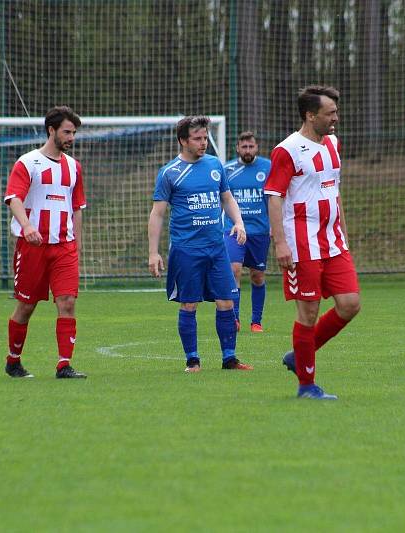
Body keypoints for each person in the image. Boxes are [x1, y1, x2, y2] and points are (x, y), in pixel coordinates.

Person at [265, 86, 361, 400]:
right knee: (307, 313)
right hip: (301, 243)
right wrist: (280, 244)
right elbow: (275, 198)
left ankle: (298, 355)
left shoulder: (333, 143)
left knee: (350, 304)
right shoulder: (287, 150)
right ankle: (306, 386)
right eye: (329, 113)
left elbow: (335, 192)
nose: (336, 117)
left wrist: (344, 234)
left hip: (333, 242)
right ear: (310, 115)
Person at [148, 115, 254, 373]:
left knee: (227, 302)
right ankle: (192, 360)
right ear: (183, 140)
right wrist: (153, 252)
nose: (203, 142)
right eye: (197, 138)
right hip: (186, 250)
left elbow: (227, 198)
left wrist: (238, 223)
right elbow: (158, 213)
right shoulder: (170, 172)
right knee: (189, 304)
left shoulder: (214, 165)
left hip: (216, 248)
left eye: (205, 137)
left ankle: (229, 358)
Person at [3, 106, 88, 379]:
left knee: (67, 302)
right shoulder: (27, 163)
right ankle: (13, 360)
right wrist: (27, 226)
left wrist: (78, 245)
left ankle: (64, 365)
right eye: (67, 132)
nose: (71, 137)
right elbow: (13, 198)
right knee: (26, 307)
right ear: (51, 130)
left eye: (74, 132)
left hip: (64, 247)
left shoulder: (74, 168)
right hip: (33, 247)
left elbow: (77, 209)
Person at [222, 131, 272, 333]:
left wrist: (274, 226)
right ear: (237, 148)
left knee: (257, 276)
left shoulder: (268, 167)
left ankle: (256, 321)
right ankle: (234, 319)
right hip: (234, 229)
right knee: (234, 270)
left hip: (259, 231)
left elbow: (274, 198)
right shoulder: (227, 170)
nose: (248, 150)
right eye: (244, 147)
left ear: (257, 147)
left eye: (251, 146)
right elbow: (223, 199)